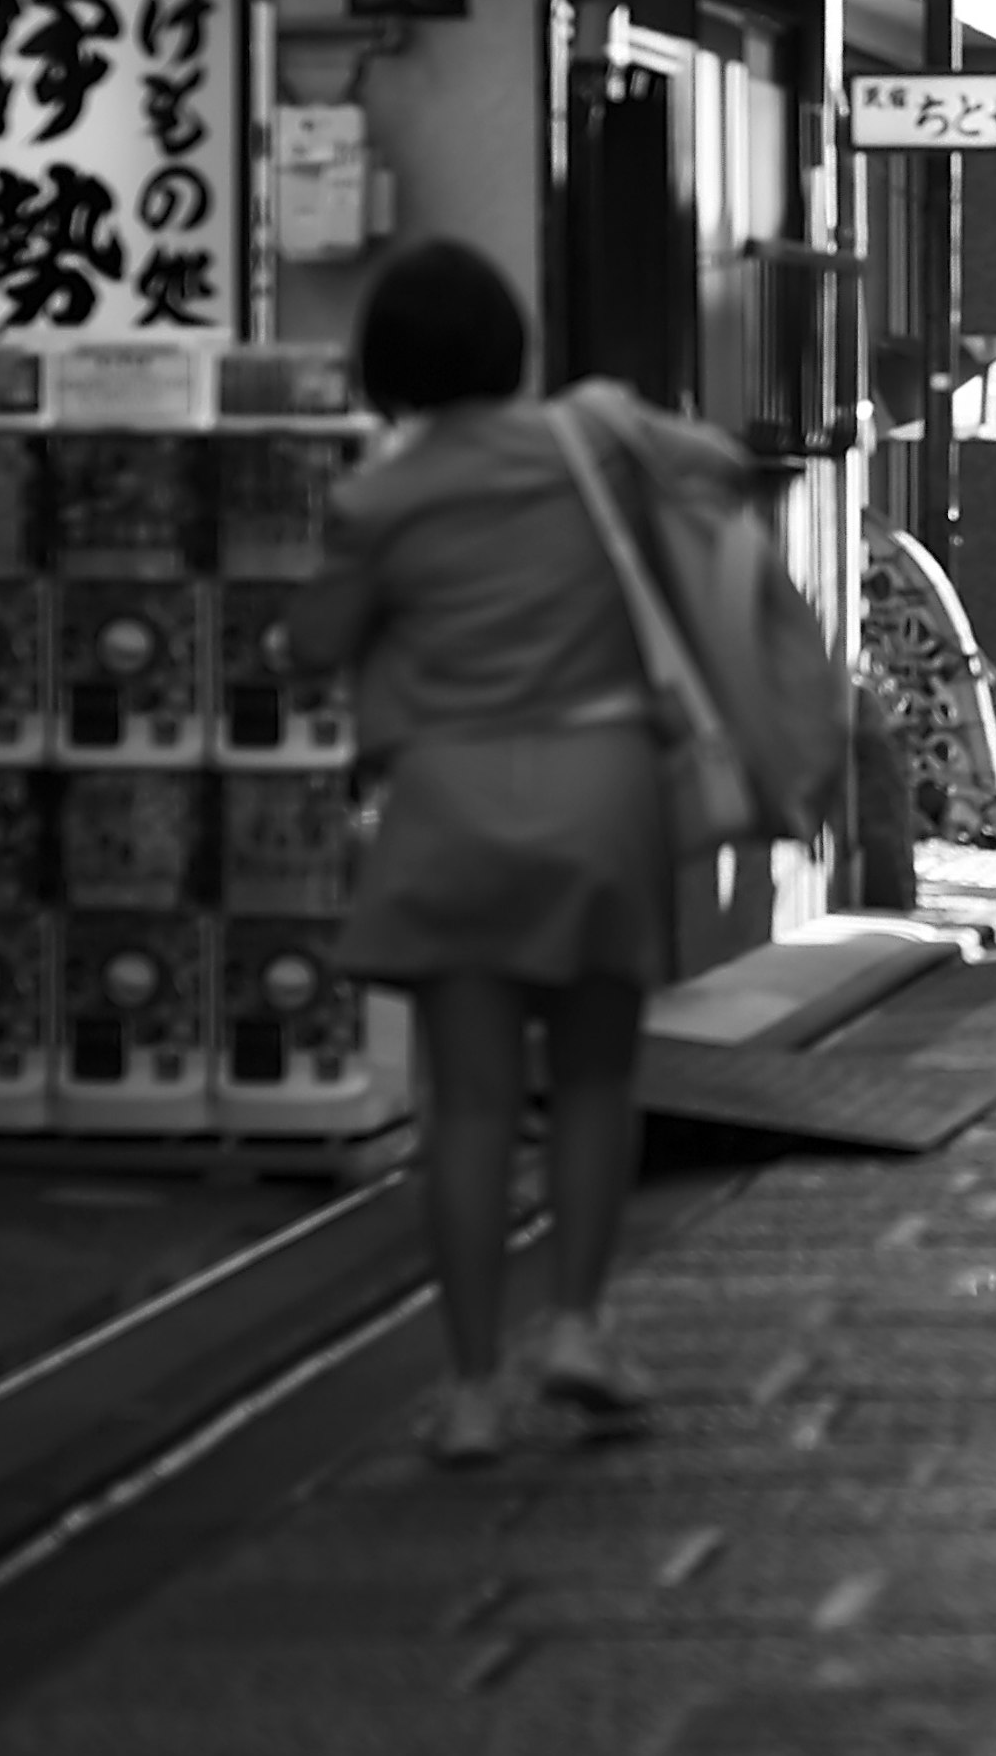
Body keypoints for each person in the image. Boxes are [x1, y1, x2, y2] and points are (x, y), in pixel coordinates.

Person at [288, 239, 736, 1467]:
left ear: (387, 363)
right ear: (508, 345)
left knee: (472, 1106)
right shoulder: (594, 450)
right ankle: (581, 1325)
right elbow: (724, 486)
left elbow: (311, 641)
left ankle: (473, 1388)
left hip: (451, 805)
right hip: (601, 796)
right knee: (595, 1083)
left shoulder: (381, 495)